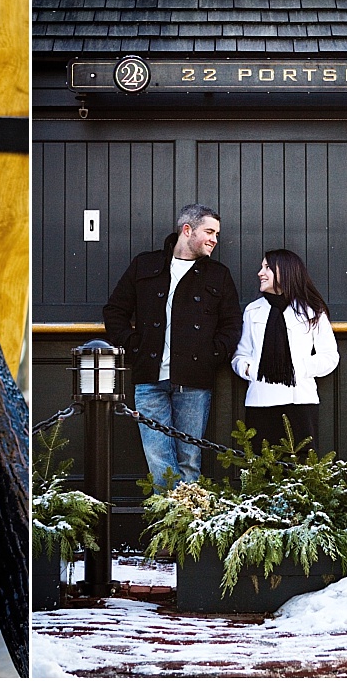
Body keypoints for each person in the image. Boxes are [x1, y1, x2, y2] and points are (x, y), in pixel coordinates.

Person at [103, 204, 241, 491]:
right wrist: (133, 345)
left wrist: (211, 356)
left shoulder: (218, 275)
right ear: (187, 230)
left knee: (189, 457)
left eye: (216, 233)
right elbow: (115, 311)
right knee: (157, 459)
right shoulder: (145, 265)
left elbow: (231, 325)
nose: (215, 239)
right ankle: (167, 525)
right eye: (209, 232)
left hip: (194, 381)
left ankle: (187, 527)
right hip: (149, 379)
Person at [231, 249, 339, 449]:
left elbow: (330, 356)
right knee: (262, 467)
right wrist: (250, 369)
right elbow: (240, 354)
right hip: (260, 401)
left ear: (285, 272)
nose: (260, 273)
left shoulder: (312, 311)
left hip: (300, 401)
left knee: (299, 466)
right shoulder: (253, 311)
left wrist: (298, 368)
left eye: (267, 268)